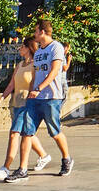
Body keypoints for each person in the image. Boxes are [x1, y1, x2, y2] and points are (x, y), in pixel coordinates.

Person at [7, 20, 73, 180]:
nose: (34, 34)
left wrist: (39, 88)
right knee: (27, 133)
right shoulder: (38, 53)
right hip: (34, 99)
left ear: (42, 32)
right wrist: (32, 90)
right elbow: (36, 74)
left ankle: (66, 159)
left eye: (36, 31)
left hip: (51, 97)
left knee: (55, 132)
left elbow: (55, 71)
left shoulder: (56, 47)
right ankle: (22, 170)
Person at [0, 38, 52, 180]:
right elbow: (12, 84)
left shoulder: (35, 65)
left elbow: (35, 85)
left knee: (14, 133)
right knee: (28, 134)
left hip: (28, 105)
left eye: (21, 47)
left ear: (28, 48)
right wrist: (1, 98)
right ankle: (44, 156)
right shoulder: (19, 65)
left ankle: (6, 167)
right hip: (16, 104)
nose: (19, 49)